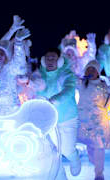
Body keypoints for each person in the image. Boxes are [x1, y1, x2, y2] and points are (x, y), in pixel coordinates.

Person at [35, 48, 81, 176]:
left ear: (59, 60)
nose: (50, 61)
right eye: (48, 58)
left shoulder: (67, 74)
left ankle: (74, 157)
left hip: (67, 118)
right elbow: (32, 86)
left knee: (67, 149)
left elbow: (69, 89)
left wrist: (55, 99)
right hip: (48, 120)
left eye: (53, 58)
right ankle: (60, 175)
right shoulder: (39, 74)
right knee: (52, 152)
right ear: (44, 61)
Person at [77, 60, 110, 180]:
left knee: (99, 146)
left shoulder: (104, 86)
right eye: (88, 69)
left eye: (93, 69)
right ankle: (96, 163)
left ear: (98, 72)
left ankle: (99, 174)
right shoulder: (81, 83)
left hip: (99, 121)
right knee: (90, 148)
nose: (90, 72)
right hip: (85, 121)